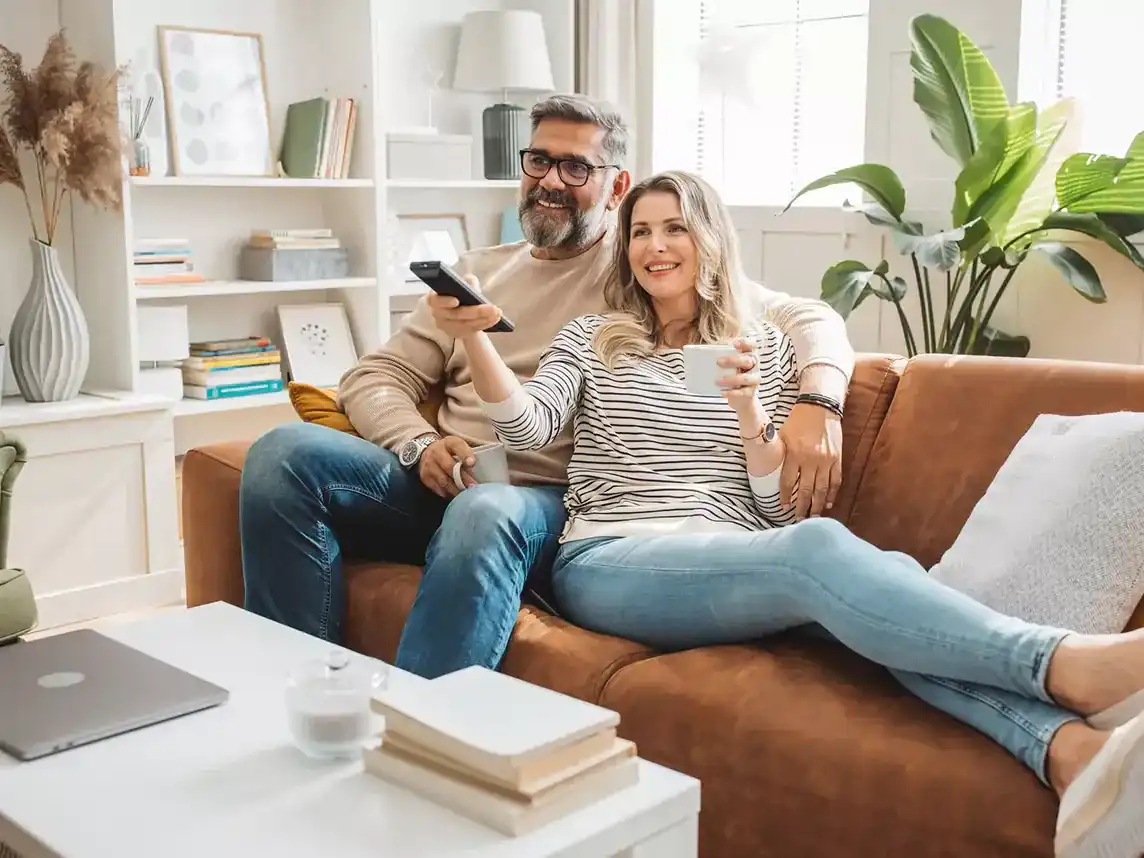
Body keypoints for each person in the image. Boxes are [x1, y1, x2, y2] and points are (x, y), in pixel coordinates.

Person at [426, 169, 1144, 858]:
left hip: (730, 560)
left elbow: (771, 507)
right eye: (640, 231)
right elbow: (525, 427)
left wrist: (749, 413)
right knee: (819, 550)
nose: (655, 246)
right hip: (609, 557)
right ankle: (1061, 663)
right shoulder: (594, 337)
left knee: (887, 608)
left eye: (675, 228)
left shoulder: (758, 346)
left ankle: (1067, 752)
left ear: (710, 240)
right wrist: (473, 335)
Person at [238, 93, 857, 680]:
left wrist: (819, 401)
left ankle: (429, 727)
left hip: (545, 502)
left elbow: (810, 317)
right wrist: (418, 444)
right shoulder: (479, 271)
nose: (551, 181)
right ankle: (297, 685)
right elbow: (376, 376)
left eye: (576, 167)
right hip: (444, 480)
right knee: (282, 454)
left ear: (617, 186)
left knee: (486, 510)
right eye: (538, 160)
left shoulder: (647, 266)